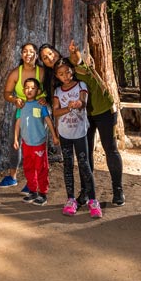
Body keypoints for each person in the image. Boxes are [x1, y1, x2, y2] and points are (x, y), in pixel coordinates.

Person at [39, 40, 125, 206]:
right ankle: (87, 191)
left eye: (50, 53)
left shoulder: (71, 63)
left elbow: (77, 58)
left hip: (103, 109)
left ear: (56, 52)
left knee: (110, 148)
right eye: (45, 58)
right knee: (85, 155)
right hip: (82, 117)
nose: (49, 58)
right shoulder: (55, 79)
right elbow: (57, 103)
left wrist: (74, 51)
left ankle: (118, 189)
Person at [52, 59, 101, 218]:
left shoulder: (81, 86)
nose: (65, 76)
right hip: (65, 133)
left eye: (67, 72)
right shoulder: (58, 91)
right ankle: (71, 200)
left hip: (80, 132)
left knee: (84, 164)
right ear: (57, 76)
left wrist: (78, 103)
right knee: (67, 165)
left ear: (72, 71)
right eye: (60, 74)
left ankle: (93, 201)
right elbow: (55, 112)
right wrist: (67, 109)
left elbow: (83, 102)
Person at [0, 43, 47, 189]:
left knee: (36, 143)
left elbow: (51, 89)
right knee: (16, 142)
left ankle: (33, 181)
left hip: (38, 111)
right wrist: (14, 99)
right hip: (22, 110)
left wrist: (45, 99)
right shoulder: (15, 73)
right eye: (25, 51)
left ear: (36, 56)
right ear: (21, 55)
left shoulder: (42, 72)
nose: (28, 54)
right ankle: (12, 177)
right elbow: (7, 93)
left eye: (31, 52)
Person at [14, 78, 59, 206]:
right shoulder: (21, 106)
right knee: (28, 167)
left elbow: (48, 120)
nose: (29, 90)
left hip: (39, 142)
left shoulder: (41, 105)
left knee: (41, 168)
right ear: (23, 90)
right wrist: (15, 139)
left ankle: (43, 193)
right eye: (27, 88)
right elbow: (18, 123)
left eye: (33, 88)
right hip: (26, 143)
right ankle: (33, 191)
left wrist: (54, 136)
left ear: (38, 91)